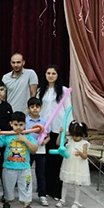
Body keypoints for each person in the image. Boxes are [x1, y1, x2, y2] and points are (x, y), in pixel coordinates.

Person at [38, 64, 72, 200]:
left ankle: (56, 190)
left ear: (57, 75)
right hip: (45, 129)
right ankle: (45, 189)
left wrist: (68, 129)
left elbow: (68, 109)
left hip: (59, 128)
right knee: (45, 160)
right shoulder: (41, 91)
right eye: (48, 73)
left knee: (57, 160)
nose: (50, 76)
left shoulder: (64, 91)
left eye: (53, 73)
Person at [0, 112, 38, 208]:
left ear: (25, 124)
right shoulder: (6, 136)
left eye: (21, 125)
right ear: (11, 124)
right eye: (16, 124)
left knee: (26, 187)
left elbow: (34, 149)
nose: (18, 127)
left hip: (25, 168)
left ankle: (26, 205)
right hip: (9, 167)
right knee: (8, 187)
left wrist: (25, 140)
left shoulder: (28, 136)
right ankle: (7, 202)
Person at [56, 121, 90, 208]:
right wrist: (61, 134)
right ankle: (62, 199)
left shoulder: (84, 143)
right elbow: (58, 143)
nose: (75, 138)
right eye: (74, 135)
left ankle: (76, 201)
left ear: (82, 135)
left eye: (78, 136)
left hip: (78, 166)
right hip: (68, 164)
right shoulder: (69, 140)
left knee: (77, 184)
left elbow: (85, 156)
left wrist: (80, 154)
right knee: (65, 182)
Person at [26, 97, 49, 206]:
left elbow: (48, 136)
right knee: (26, 173)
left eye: (37, 106)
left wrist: (44, 141)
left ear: (40, 108)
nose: (35, 109)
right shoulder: (25, 121)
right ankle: (27, 194)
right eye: (32, 107)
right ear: (28, 108)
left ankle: (42, 195)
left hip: (40, 151)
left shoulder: (44, 122)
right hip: (28, 150)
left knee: (40, 173)